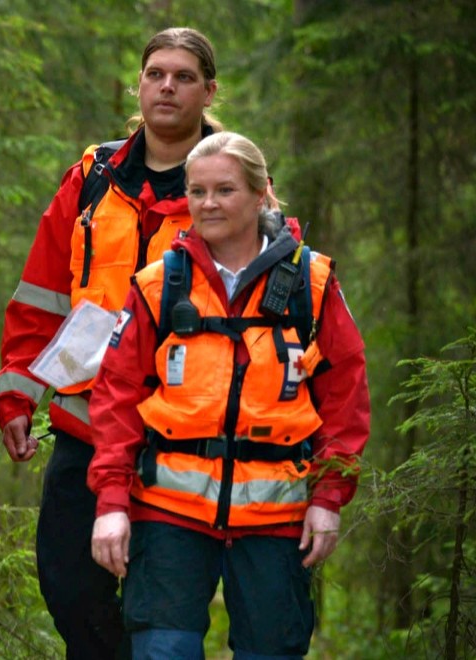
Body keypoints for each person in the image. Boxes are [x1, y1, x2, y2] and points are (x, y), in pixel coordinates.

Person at [87, 131, 370, 658]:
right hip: (168, 513)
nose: (208, 204)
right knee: (161, 651)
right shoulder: (158, 284)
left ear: (261, 193)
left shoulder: (311, 283)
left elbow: (345, 397)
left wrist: (329, 498)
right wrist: (111, 502)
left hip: (276, 518)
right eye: (197, 192)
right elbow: (116, 399)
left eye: (224, 190)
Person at [0, 26, 222, 658]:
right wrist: (18, 394)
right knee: (69, 587)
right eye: (155, 74)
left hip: (180, 433)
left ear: (208, 91)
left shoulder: (225, 184)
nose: (166, 86)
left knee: (162, 607)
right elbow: (41, 291)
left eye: (182, 76)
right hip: (83, 422)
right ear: (138, 86)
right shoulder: (94, 176)